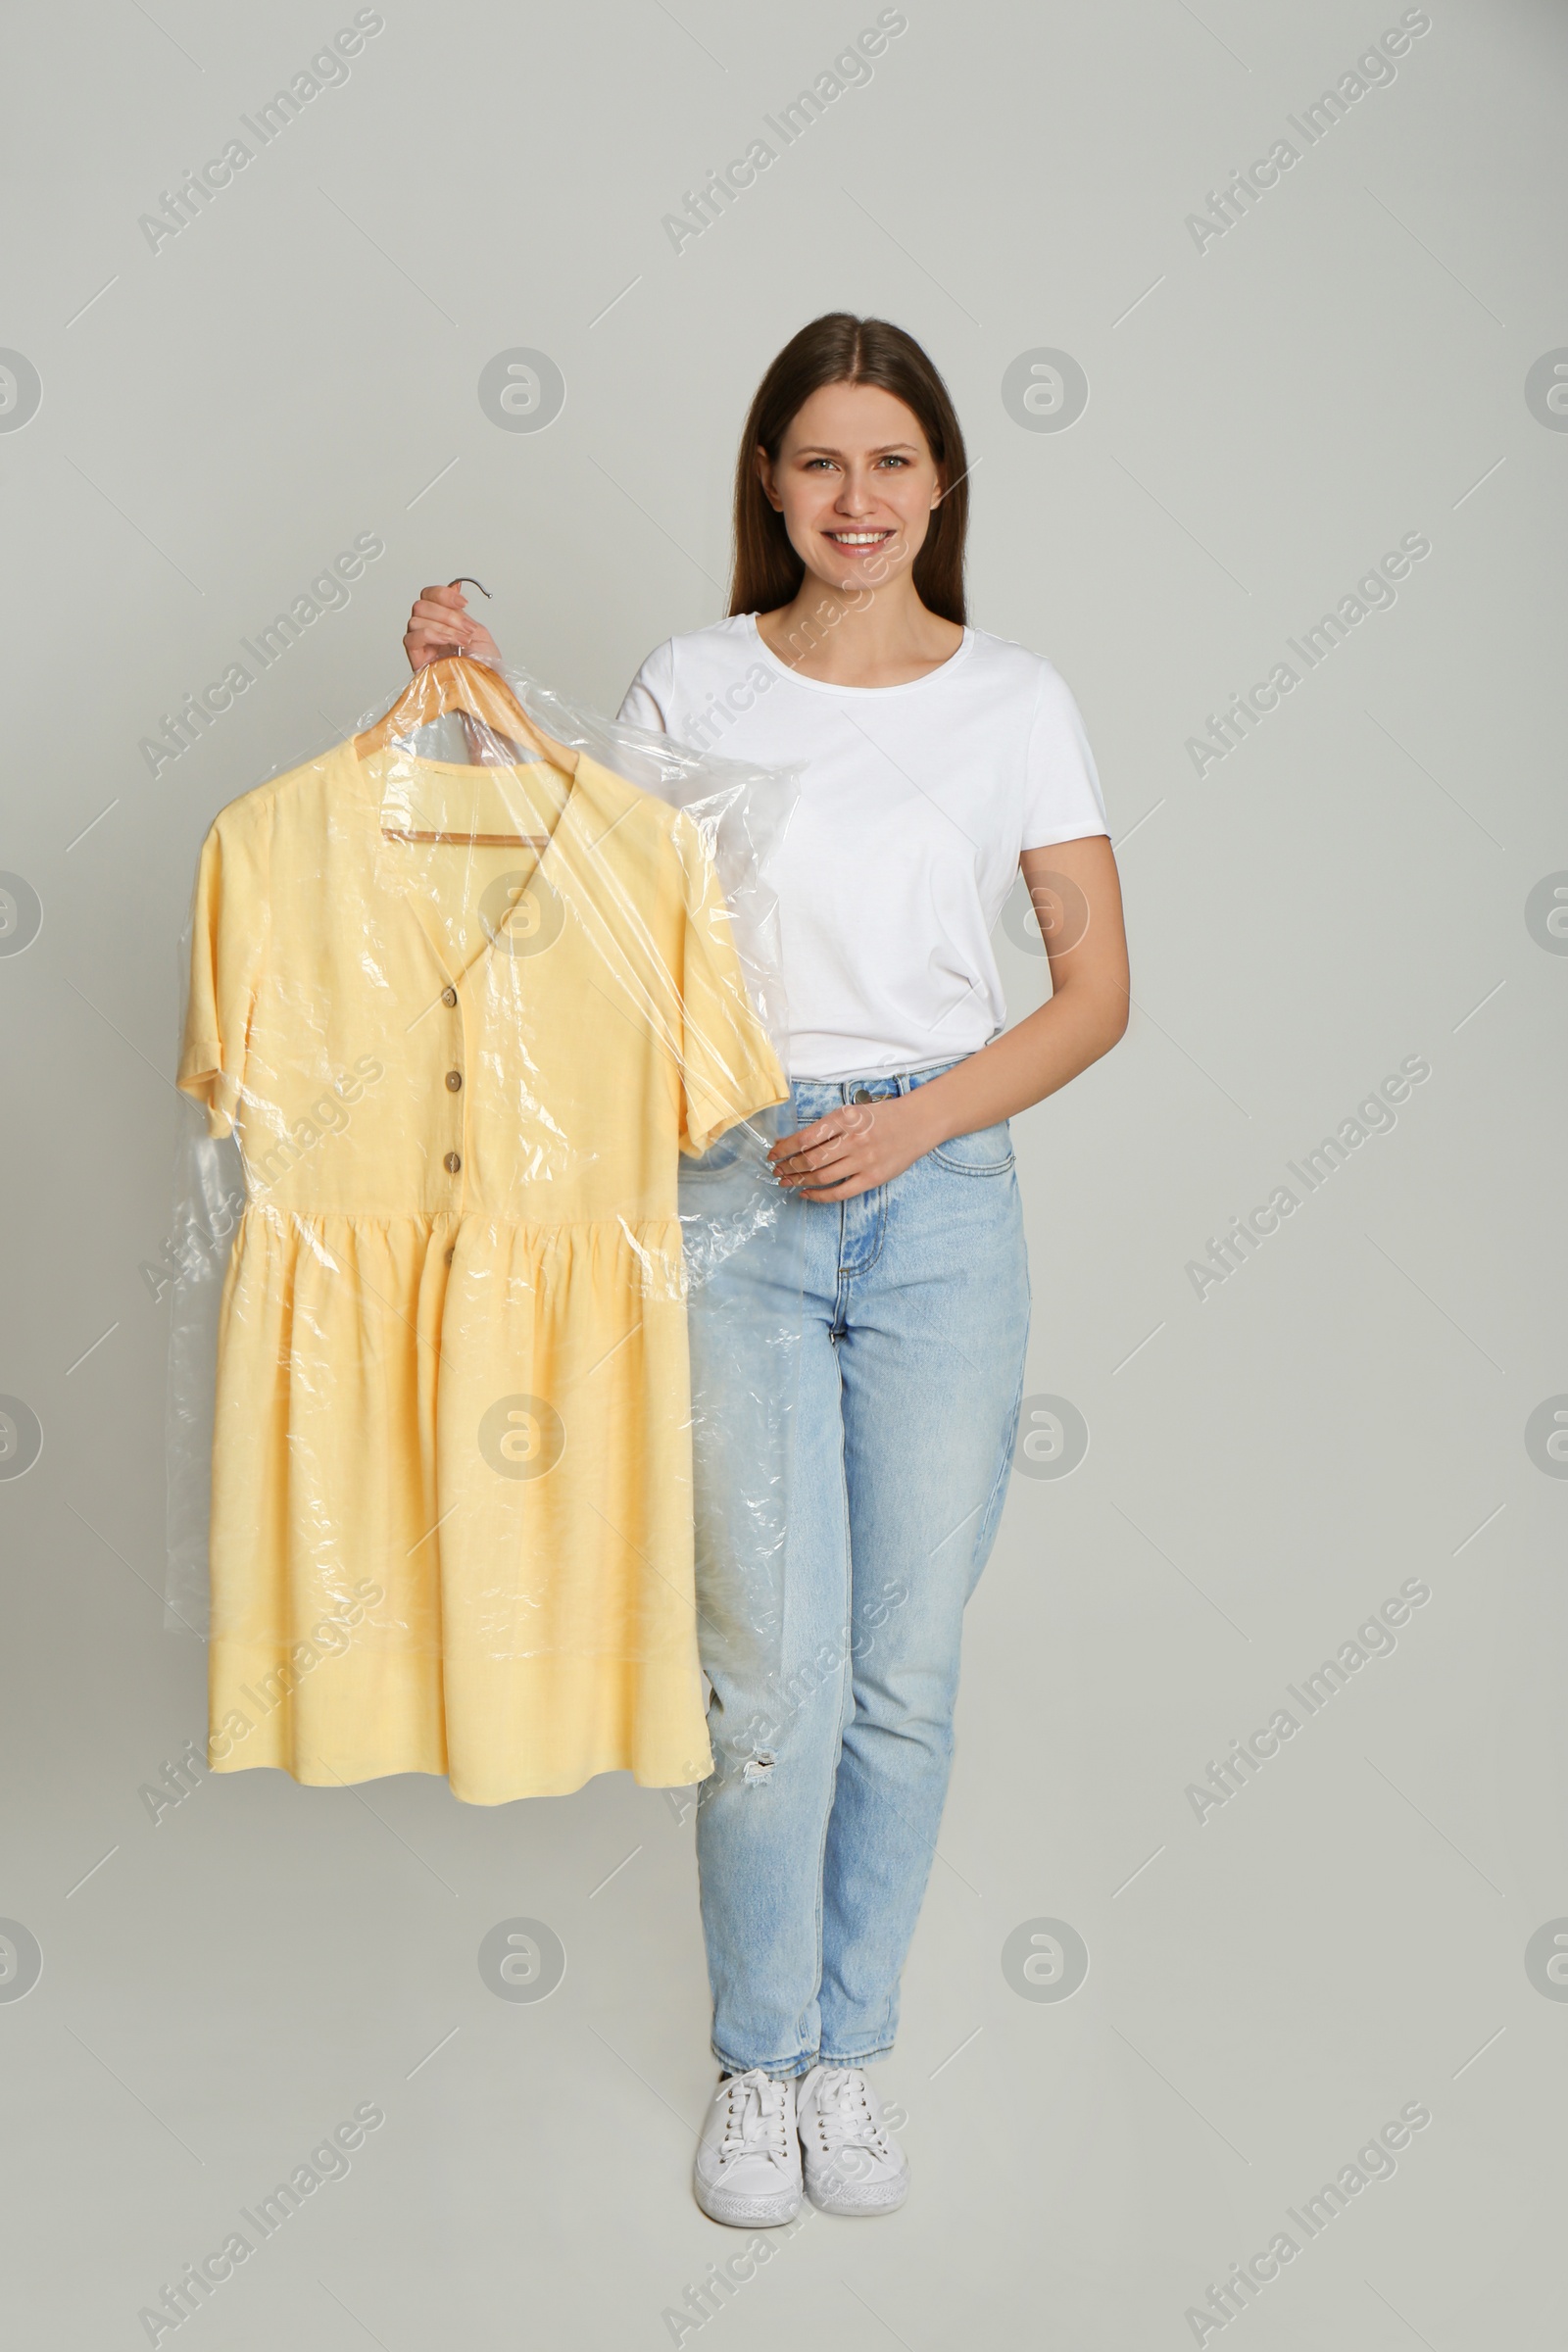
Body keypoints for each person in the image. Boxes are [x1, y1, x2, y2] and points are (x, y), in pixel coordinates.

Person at [401, 312, 1130, 2225]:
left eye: (889, 461)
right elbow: (586, 888)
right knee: (769, 1682)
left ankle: (850, 2059)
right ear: (766, 484)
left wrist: (907, 1122)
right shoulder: (696, 685)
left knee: (897, 1669)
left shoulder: (1014, 701)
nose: (855, 497)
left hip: (939, 1201)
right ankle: (759, 2063)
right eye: (819, 461)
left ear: (941, 485)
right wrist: (478, 703)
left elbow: (1095, 993)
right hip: (724, 1194)